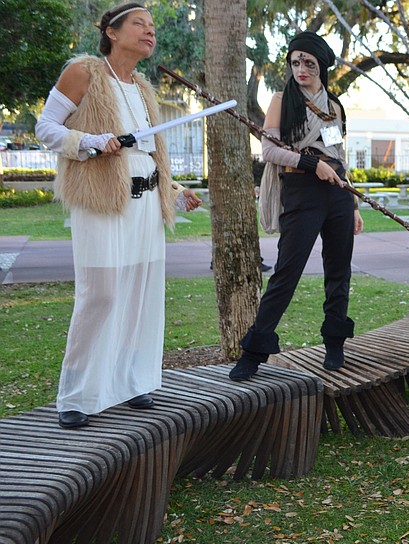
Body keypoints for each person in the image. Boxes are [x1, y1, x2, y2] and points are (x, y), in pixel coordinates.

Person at [34, 2, 202, 429]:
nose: (150, 32)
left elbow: (148, 151)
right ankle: (76, 394)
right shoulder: (84, 72)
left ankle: (132, 381)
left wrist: (177, 192)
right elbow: (46, 128)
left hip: (146, 205)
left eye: (152, 27)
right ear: (111, 31)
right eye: (139, 24)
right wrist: (91, 140)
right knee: (102, 293)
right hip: (102, 201)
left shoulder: (143, 87)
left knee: (140, 294)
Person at [229, 31, 364, 381]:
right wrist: (309, 163)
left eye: (308, 62)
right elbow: (269, 151)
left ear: (321, 65)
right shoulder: (281, 100)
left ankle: (334, 342)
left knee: (339, 270)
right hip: (301, 191)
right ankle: (254, 351)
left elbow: (338, 156)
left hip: (336, 192)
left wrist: (351, 204)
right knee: (287, 272)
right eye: (294, 62)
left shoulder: (333, 106)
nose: (300, 68)